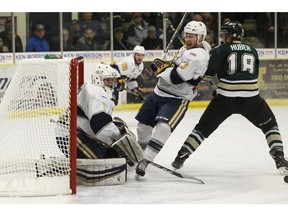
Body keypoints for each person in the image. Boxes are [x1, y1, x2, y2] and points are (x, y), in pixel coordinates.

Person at [171, 21, 288, 176]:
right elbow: (248, 75)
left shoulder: (220, 50)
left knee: (203, 128)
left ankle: (181, 156)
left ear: (232, 36)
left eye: (225, 34)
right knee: (270, 126)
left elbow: (207, 75)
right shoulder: (252, 50)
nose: (223, 37)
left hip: (225, 99)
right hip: (251, 99)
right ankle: (279, 158)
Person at [135, 21, 211, 177]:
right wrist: (166, 63)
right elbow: (176, 64)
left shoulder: (197, 55)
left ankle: (146, 160)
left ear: (201, 38)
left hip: (177, 98)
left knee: (163, 128)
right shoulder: (187, 49)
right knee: (142, 127)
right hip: (158, 93)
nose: (188, 39)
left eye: (192, 36)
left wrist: (161, 69)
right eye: (187, 36)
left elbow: (177, 77)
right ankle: (139, 155)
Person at [76, 63, 143, 165]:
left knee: (111, 154)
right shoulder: (95, 93)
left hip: (82, 131)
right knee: (104, 163)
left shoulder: (95, 88)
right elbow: (101, 125)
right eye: (107, 80)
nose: (111, 83)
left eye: (112, 80)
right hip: (71, 135)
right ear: (98, 79)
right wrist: (117, 139)